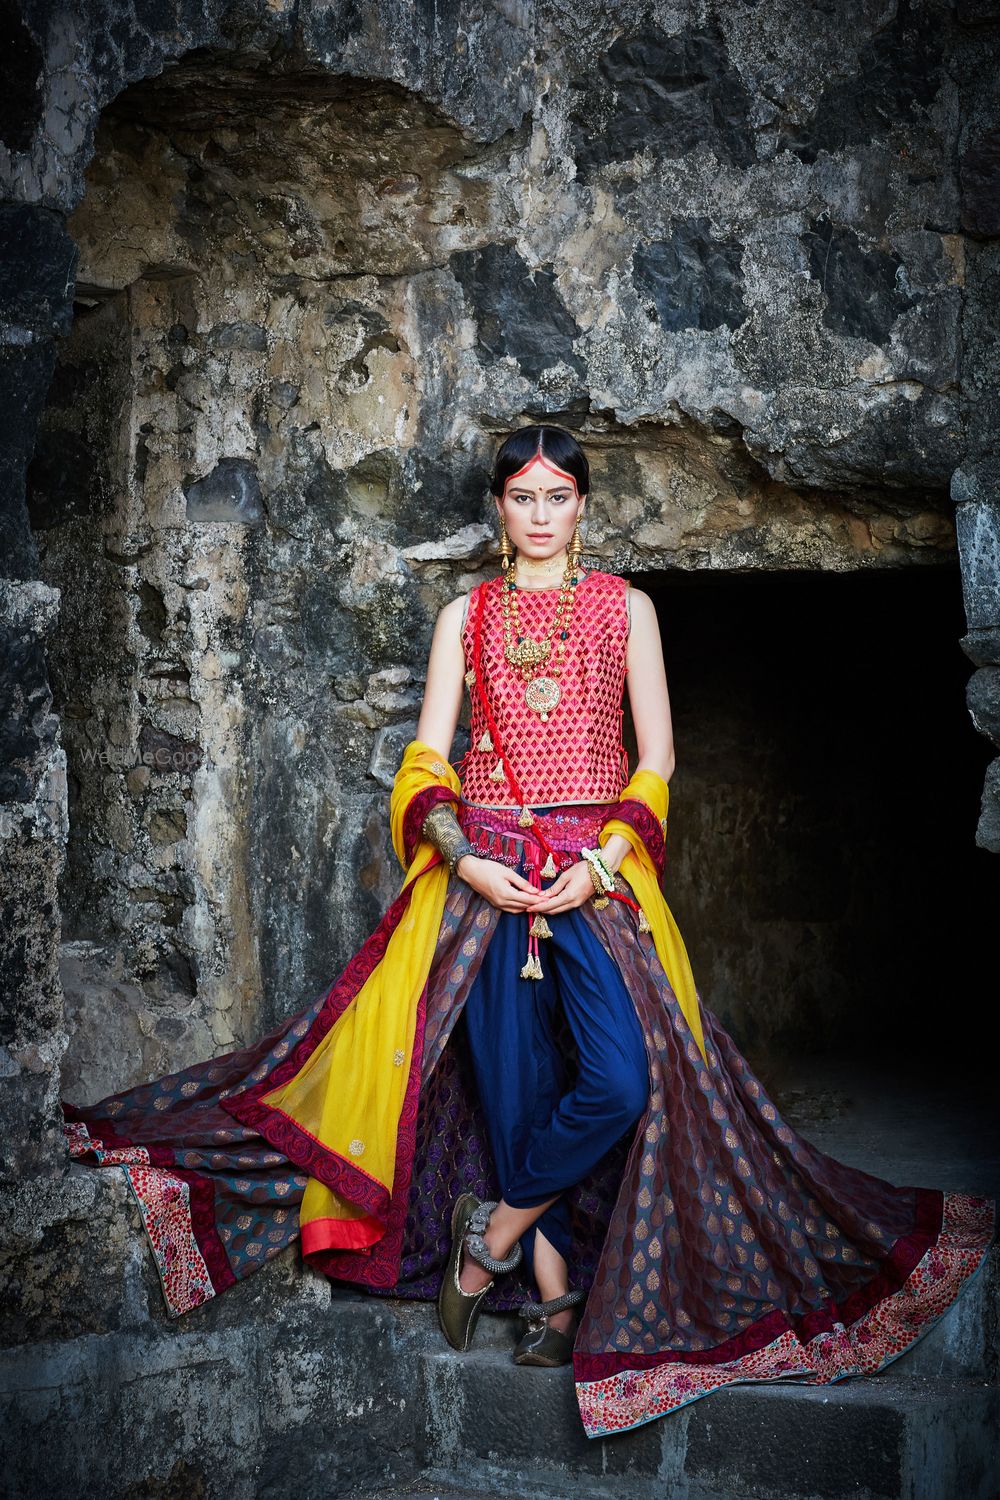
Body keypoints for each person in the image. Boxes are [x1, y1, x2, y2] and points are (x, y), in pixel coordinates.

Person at [62, 424, 996, 1440]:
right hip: (487, 882)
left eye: (558, 497)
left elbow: (659, 761)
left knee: (620, 1077)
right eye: (522, 498)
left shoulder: (625, 609)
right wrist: (466, 860)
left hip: (593, 881)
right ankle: (549, 1292)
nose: (541, 515)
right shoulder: (465, 616)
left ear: (582, 506)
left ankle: (487, 1243)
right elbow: (425, 762)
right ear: (499, 509)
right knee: (512, 1086)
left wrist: (598, 867)